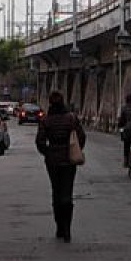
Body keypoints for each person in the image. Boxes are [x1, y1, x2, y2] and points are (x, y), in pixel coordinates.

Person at [35, 91, 85, 242]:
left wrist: (48, 153)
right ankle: (67, 229)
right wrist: (75, 150)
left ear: (50, 103)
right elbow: (81, 137)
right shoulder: (71, 118)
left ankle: (59, 227)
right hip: (69, 160)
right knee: (67, 193)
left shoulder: (46, 120)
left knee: (56, 192)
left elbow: (40, 141)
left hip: (53, 161)